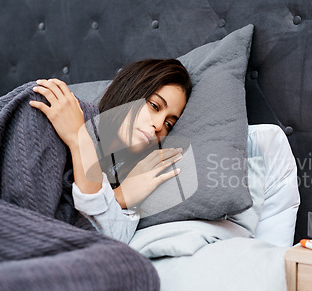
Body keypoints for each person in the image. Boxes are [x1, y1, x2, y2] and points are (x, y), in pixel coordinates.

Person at [30, 59, 193, 243]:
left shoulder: (132, 176)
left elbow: (113, 240)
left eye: (168, 124)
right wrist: (79, 137)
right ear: (130, 90)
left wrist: (121, 196)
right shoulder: (66, 111)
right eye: (155, 106)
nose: (157, 125)